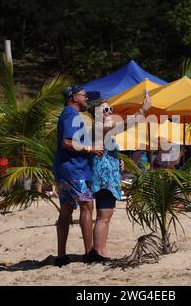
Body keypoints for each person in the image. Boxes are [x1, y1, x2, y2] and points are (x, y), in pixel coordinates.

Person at [88, 94, 151, 260]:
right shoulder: (99, 127)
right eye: (105, 110)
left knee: (106, 216)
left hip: (108, 175)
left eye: (110, 109)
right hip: (103, 177)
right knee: (103, 215)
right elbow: (125, 125)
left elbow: (107, 151)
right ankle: (98, 252)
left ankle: (101, 250)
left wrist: (119, 161)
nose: (109, 112)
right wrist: (142, 110)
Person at [53, 85, 104, 267]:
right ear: (74, 97)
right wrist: (89, 148)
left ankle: (61, 256)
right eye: (84, 95)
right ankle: (89, 253)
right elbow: (66, 142)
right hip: (74, 169)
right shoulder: (71, 115)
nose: (87, 98)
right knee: (87, 205)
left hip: (67, 168)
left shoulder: (67, 113)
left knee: (66, 209)